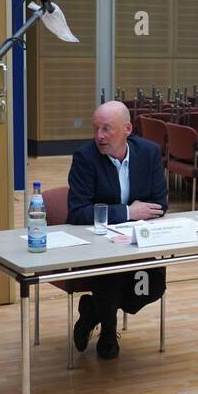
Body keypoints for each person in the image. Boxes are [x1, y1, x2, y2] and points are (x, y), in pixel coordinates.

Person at [66, 100, 168, 359]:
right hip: (97, 245)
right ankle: (108, 334)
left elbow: (159, 204)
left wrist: (131, 220)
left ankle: (92, 310)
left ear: (127, 129)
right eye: (96, 128)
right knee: (110, 277)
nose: (99, 136)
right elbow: (78, 213)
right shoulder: (85, 158)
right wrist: (128, 212)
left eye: (107, 129)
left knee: (153, 286)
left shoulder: (149, 153)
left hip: (137, 242)